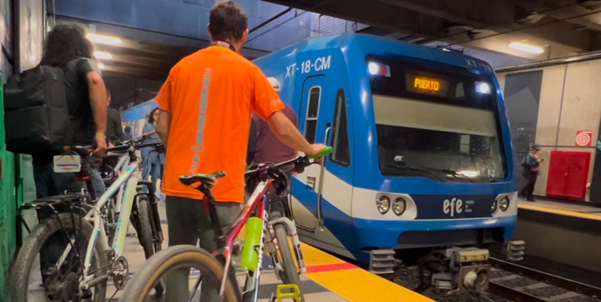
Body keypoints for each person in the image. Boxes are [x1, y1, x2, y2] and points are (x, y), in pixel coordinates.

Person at [154, 1, 326, 301]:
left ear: (210, 31)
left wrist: (179, 154)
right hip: (220, 189)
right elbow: (281, 126)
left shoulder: (180, 68)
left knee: (176, 262)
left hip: (179, 182)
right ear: (244, 35)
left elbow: (161, 124)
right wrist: (310, 148)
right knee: (215, 265)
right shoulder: (248, 72)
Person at [33, 24, 108, 198]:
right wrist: (101, 134)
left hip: (41, 157)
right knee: (90, 208)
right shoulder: (81, 64)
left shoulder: (40, 71)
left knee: (51, 216)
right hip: (70, 154)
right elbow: (95, 79)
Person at [141, 107, 165, 193]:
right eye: (156, 114)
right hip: (149, 153)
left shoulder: (163, 127)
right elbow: (147, 139)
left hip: (159, 154)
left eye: (160, 115)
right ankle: (144, 193)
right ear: (152, 116)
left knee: (156, 175)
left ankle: (153, 194)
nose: (158, 116)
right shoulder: (148, 126)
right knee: (146, 173)